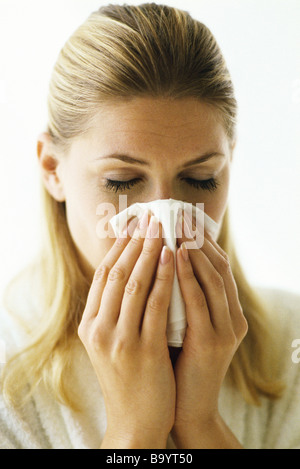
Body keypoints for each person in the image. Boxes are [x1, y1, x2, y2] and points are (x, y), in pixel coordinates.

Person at [0, 3, 299, 449]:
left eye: (200, 179)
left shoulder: (288, 341)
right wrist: (134, 431)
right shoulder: (10, 370)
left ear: (229, 164)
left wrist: (200, 423)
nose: (166, 220)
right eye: (121, 181)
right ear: (52, 169)